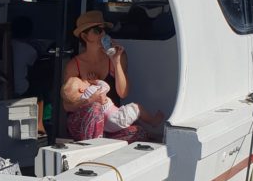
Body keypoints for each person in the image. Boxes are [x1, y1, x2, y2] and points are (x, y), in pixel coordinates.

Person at [62, 9, 145, 142]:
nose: (103, 34)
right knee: (95, 108)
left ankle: (102, 140)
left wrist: (116, 61)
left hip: (107, 123)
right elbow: (67, 106)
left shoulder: (118, 57)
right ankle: (91, 148)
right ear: (84, 37)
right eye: (97, 30)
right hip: (82, 124)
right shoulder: (74, 65)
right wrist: (90, 100)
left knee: (139, 132)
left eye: (104, 30)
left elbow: (123, 93)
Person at [62, 76, 163, 139]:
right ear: (81, 89)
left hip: (106, 125)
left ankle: (150, 133)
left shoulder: (82, 100)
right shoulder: (92, 90)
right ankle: (153, 121)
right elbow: (106, 87)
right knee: (137, 107)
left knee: (133, 121)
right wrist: (97, 81)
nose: (86, 80)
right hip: (114, 116)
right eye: (82, 81)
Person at [11, 14, 47, 136]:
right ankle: (39, 125)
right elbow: (35, 63)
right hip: (21, 88)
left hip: (6, 83)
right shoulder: (28, 50)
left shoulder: (7, 44)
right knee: (39, 89)